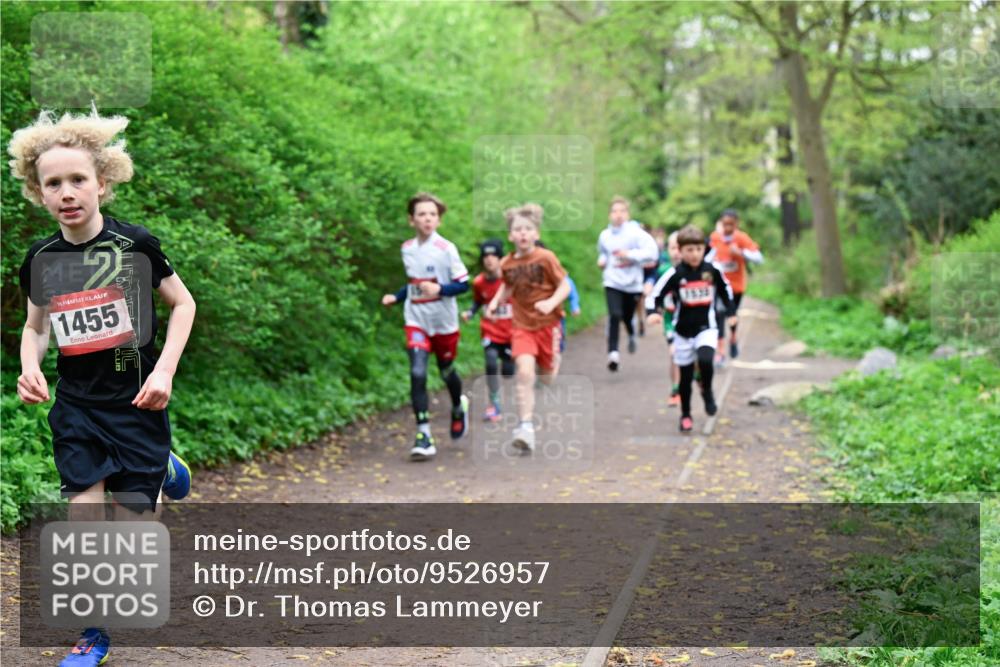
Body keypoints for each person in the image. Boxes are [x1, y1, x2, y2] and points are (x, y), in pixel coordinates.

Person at [10, 109, 197, 667]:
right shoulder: (42, 260)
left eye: (78, 180)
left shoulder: (133, 246)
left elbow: (183, 304)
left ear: (103, 183)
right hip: (78, 408)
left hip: (137, 403)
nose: (67, 193)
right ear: (38, 192)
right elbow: (35, 327)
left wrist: (164, 371)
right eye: (53, 183)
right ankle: (94, 634)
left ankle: (162, 466)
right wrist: (29, 365)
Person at [382, 193, 470, 461]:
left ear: (439, 220)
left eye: (432, 214)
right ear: (412, 220)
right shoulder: (407, 248)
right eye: (422, 214)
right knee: (417, 372)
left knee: (446, 371)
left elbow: (464, 284)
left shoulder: (446, 249)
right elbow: (414, 283)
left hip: (443, 322)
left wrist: (440, 289)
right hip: (416, 319)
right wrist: (397, 296)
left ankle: (458, 405)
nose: (427, 219)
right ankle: (423, 434)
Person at [486, 203, 570, 453]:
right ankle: (525, 427)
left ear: (536, 233)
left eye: (528, 229)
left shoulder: (546, 258)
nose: (523, 233)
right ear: (510, 236)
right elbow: (508, 286)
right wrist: (495, 302)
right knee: (524, 372)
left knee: (547, 377)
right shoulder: (507, 264)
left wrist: (551, 303)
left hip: (548, 324)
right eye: (518, 229)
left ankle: (555, 359)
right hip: (522, 325)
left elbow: (565, 285)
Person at [646, 224, 733, 433]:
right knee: (684, 379)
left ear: (704, 249)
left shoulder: (711, 270)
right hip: (683, 332)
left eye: (698, 249)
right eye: (689, 250)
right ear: (681, 251)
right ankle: (685, 414)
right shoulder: (675, 274)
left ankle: (707, 391)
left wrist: (732, 313)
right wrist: (653, 313)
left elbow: (725, 290)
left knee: (706, 360)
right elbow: (655, 295)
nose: (694, 254)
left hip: (707, 327)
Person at [597, 196, 658, 372]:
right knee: (614, 315)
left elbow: (652, 253)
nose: (618, 215)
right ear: (609, 214)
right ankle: (613, 354)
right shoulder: (605, 235)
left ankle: (631, 334)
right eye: (615, 211)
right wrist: (602, 260)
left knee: (626, 316)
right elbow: (603, 253)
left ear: (628, 214)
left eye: (622, 211)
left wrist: (629, 254)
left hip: (632, 284)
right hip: (612, 281)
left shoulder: (636, 233)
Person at [462, 239, 514, 422]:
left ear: (500, 258)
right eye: (486, 256)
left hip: (510, 333)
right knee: (490, 362)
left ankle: (510, 363)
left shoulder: (509, 280)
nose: (489, 260)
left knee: (508, 371)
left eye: (493, 256)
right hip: (490, 330)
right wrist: (470, 312)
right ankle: (494, 403)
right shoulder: (478, 282)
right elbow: (478, 301)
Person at [707, 209, 763, 362]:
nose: (727, 227)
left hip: (736, 286)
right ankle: (720, 350)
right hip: (719, 286)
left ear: (736, 224)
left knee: (732, 315)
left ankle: (733, 337)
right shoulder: (715, 237)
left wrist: (741, 253)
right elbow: (706, 256)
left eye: (731, 224)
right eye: (725, 224)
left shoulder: (741, 238)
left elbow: (759, 258)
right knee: (718, 314)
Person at [658, 231, 682, 406]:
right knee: (674, 354)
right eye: (673, 248)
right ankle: (675, 389)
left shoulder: (698, 271)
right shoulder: (663, 271)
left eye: (680, 248)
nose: (677, 252)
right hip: (670, 321)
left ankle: (697, 375)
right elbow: (654, 290)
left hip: (693, 322)